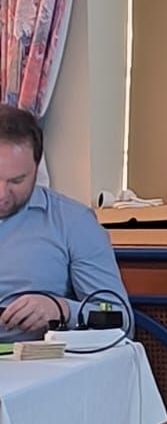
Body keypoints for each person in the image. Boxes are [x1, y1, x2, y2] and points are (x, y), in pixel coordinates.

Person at [0, 105, 131, 341]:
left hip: (34, 360)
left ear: (37, 167)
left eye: (17, 181)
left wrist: (62, 309)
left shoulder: (73, 222)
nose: (2, 194)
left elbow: (122, 323)